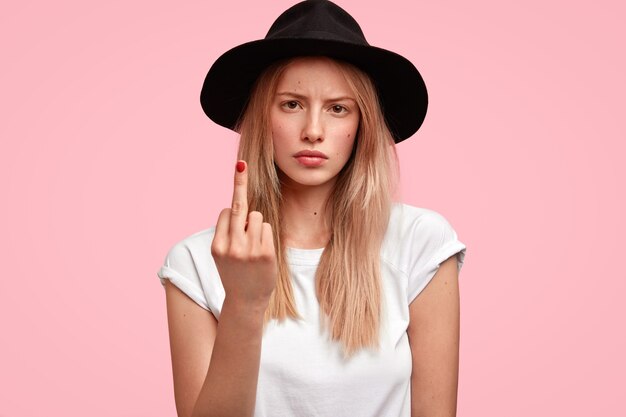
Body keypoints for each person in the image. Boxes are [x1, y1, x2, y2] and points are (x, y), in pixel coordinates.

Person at [156, 1, 467, 416]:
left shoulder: (420, 243)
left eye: (338, 108)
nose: (314, 131)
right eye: (291, 104)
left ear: (362, 126)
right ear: (261, 117)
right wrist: (245, 304)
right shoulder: (195, 262)